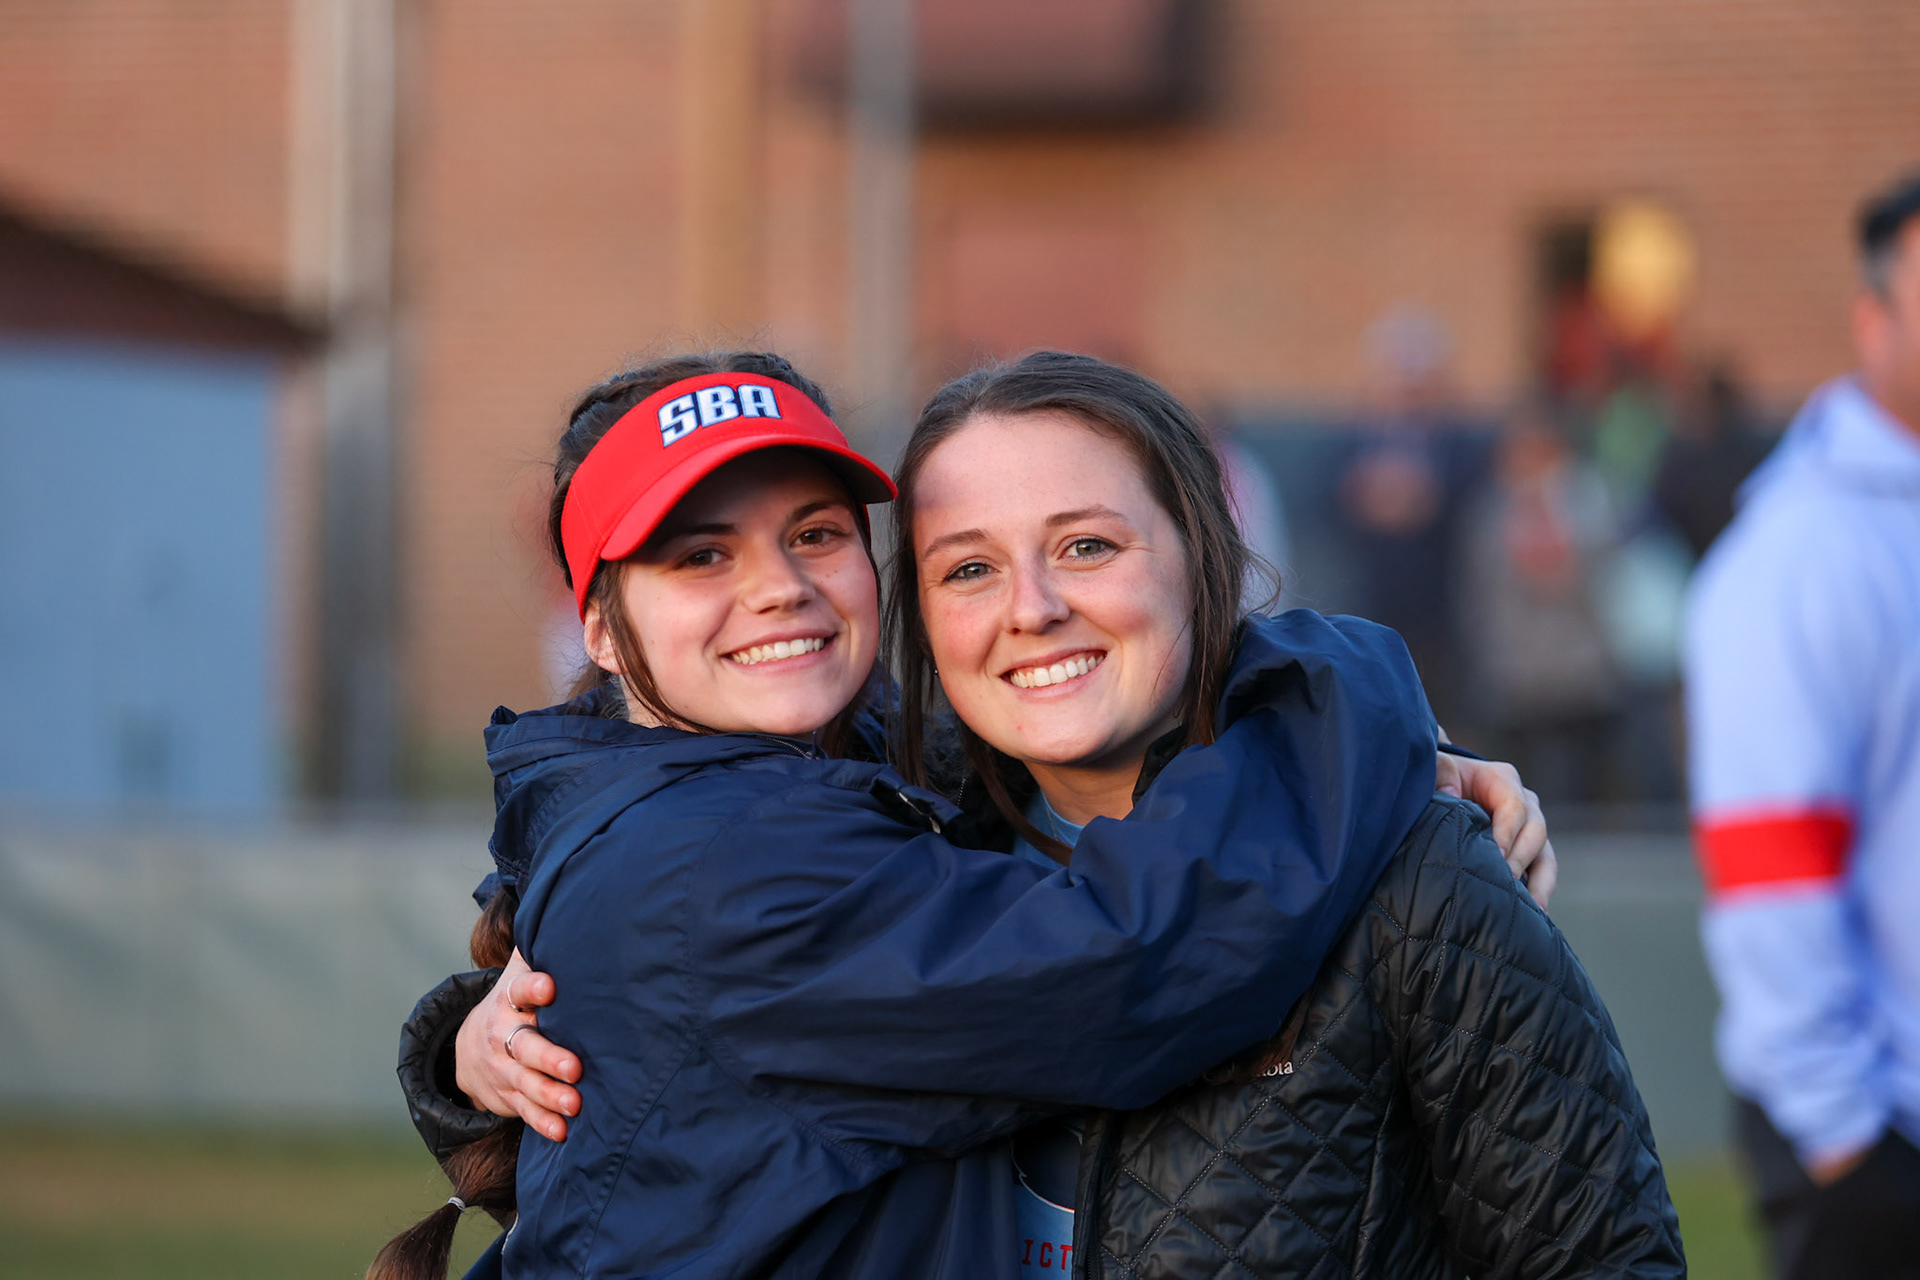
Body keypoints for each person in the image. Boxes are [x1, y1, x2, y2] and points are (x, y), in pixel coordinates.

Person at [437, 351, 1681, 1277]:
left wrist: (456, 1042)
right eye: (970, 564)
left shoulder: (1408, 872)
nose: (1030, 606)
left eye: (1086, 546)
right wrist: (1354, 690)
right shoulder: (762, 864)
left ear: (1198, 553)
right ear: (599, 628)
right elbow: (1126, 961)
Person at [1684, 172, 1920, 1280]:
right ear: (1872, 319)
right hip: (1884, 1134)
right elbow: (1770, 861)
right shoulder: (1802, 552)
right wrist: (1849, 1144)